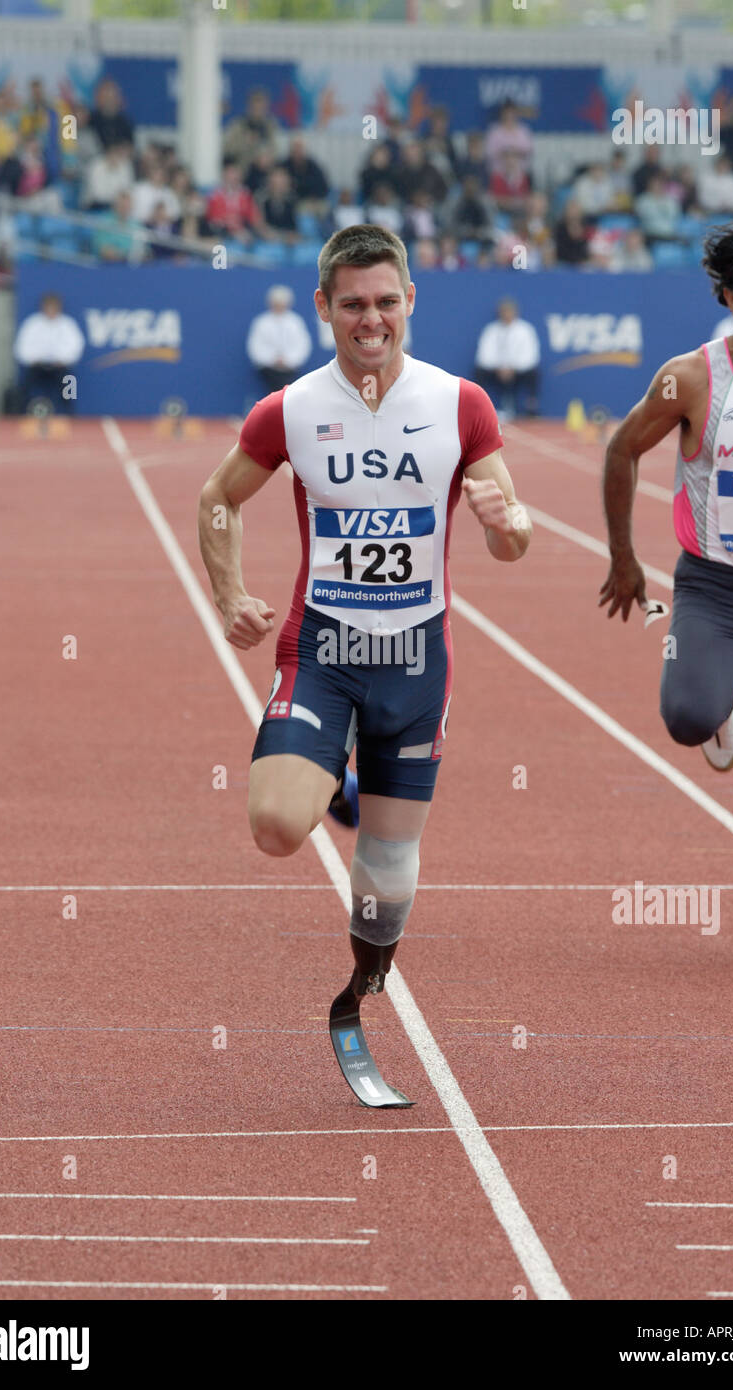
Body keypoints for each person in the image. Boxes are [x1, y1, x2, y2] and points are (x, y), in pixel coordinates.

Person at [198, 224, 531, 1059]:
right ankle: (331, 775)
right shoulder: (291, 410)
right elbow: (218, 498)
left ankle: (367, 972)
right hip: (325, 652)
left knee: (385, 874)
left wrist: (508, 523)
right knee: (276, 826)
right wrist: (231, 594)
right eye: (353, 304)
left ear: (410, 301)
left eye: (386, 301)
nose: (370, 319)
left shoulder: (461, 405)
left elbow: (513, 535)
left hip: (417, 660)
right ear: (324, 308)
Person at [599, 220, 733, 909]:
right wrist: (624, 559)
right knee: (687, 718)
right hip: (714, 588)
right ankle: (717, 708)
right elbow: (621, 450)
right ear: (727, 297)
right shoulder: (689, 379)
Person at [13, 291, 85, 414]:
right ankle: (18, 413)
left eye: (54, 307)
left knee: (69, 382)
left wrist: (63, 360)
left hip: (59, 367)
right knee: (24, 385)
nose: (51, 310)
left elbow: (76, 346)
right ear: (43, 307)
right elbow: (21, 346)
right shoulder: (33, 323)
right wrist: (33, 359)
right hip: (36, 366)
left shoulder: (67, 324)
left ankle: (69, 413)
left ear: (59, 308)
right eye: (48, 306)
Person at [474, 297, 541, 420]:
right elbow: (483, 355)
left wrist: (512, 368)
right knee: (479, 372)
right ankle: (478, 407)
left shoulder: (525, 329)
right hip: (496, 370)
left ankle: (531, 408)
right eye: (504, 311)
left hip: (518, 370)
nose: (507, 315)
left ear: (515, 312)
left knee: (533, 373)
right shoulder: (491, 329)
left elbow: (531, 356)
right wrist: (499, 367)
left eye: (509, 311)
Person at [245, 284, 313, 393]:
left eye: (282, 303)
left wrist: (288, 361)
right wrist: (272, 360)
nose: (279, 306)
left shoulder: (295, 322)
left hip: (291, 368)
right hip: (268, 369)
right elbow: (255, 346)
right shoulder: (261, 322)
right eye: (276, 303)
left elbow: (303, 345)